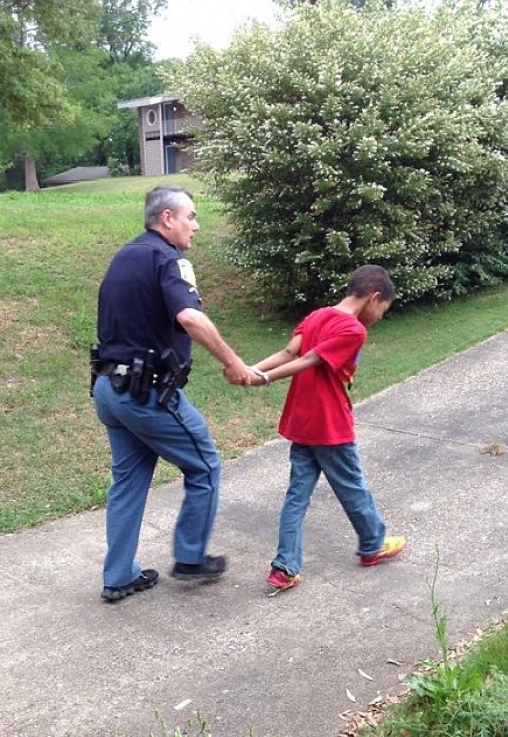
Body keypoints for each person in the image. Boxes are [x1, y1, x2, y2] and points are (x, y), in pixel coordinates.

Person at [92, 184, 252, 603]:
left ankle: (119, 575)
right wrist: (233, 362)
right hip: (145, 394)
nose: (195, 227)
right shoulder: (169, 258)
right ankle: (190, 557)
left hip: (109, 389)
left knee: (128, 481)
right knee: (205, 465)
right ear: (167, 219)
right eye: (191, 217)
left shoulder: (124, 256)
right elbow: (189, 317)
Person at [248, 264, 406, 593]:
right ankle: (373, 544)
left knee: (297, 495)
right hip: (329, 423)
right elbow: (308, 360)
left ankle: (285, 567)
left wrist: (251, 371)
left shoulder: (318, 315)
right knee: (353, 486)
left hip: (302, 422)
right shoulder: (353, 330)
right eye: (383, 309)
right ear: (373, 298)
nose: (379, 317)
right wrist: (258, 377)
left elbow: (288, 351)